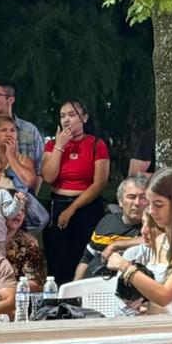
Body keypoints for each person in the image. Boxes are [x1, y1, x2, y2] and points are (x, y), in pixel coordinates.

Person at [106, 168, 172, 314]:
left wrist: (124, 266)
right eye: (150, 204)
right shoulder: (160, 240)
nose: (152, 211)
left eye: (158, 204)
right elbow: (152, 293)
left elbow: (164, 296)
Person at [42, 100, 110, 284]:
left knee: (84, 256)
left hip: (87, 205)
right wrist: (59, 146)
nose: (66, 120)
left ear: (84, 118)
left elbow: (99, 183)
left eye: (72, 115)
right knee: (58, 259)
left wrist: (73, 208)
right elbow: (48, 177)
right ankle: (59, 295)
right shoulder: (53, 145)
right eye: (62, 116)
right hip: (58, 204)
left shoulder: (96, 144)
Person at [76, 174, 149, 280]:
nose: (137, 203)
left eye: (143, 197)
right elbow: (87, 257)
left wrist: (116, 245)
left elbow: (154, 240)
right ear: (120, 201)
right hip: (91, 283)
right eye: (131, 197)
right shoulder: (107, 221)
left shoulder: (153, 226)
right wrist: (75, 284)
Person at [4, 203, 47, 290]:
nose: (19, 213)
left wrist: (7, 288)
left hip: (17, 294)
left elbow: (36, 283)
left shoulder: (28, 241)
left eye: (23, 210)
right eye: (16, 209)